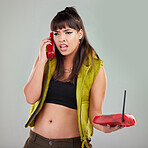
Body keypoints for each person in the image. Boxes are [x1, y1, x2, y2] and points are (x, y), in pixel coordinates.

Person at [23, 7, 123, 148]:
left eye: (68, 32)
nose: (61, 38)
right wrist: (41, 61)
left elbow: (95, 115)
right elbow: (30, 98)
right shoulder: (44, 61)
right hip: (36, 142)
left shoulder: (95, 69)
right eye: (56, 33)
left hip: (70, 144)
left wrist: (106, 128)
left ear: (80, 34)